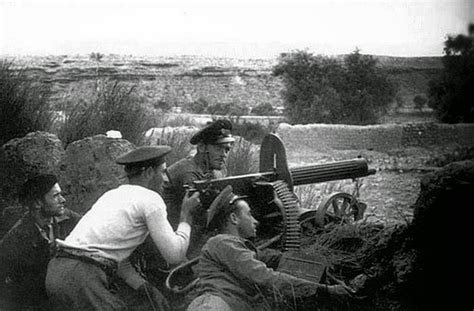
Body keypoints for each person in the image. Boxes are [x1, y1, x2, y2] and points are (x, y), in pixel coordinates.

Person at [45, 145, 201, 311]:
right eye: (162, 172)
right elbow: (175, 255)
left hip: (57, 271)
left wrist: (144, 287)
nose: (166, 179)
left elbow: (115, 256)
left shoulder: (112, 195)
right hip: (83, 275)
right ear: (148, 172)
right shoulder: (150, 198)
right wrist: (186, 216)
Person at [186, 185, 355, 311]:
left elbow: (272, 257)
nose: (255, 221)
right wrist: (324, 290)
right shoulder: (222, 242)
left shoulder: (237, 248)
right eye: (249, 214)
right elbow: (265, 276)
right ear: (234, 218)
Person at [0, 174, 81, 310]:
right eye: (55, 196)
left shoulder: (68, 218)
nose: (63, 200)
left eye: (61, 194)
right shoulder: (16, 240)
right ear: (38, 203)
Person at [164, 119, 235, 258]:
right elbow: (199, 217)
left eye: (226, 149)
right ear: (202, 147)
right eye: (218, 148)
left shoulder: (211, 169)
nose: (224, 154)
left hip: (188, 230)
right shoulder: (189, 172)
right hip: (173, 236)